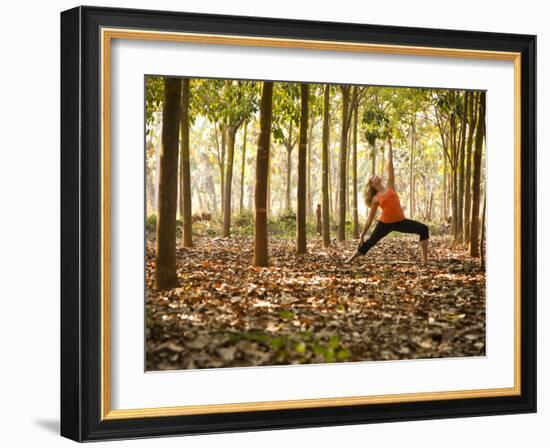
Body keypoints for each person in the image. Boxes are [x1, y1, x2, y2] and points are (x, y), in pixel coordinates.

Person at [346, 133, 429, 263]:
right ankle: (351, 258)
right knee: (370, 242)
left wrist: (389, 145)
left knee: (424, 229)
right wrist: (362, 234)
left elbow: (390, 166)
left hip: (400, 221)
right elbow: (370, 219)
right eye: (373, 177)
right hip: (385, 224)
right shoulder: (375, 198)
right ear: (373, 184)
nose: (376, 176)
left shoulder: (390, 186)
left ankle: (425, 260)